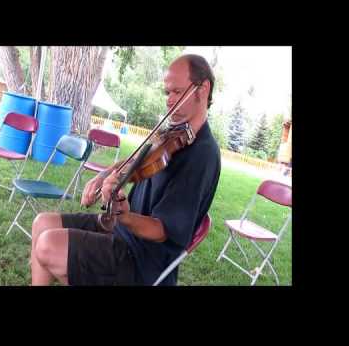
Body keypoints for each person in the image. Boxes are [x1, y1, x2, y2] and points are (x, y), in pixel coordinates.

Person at [28, 54, 221, 286]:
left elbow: (163, 231)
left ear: (203, 89)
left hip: (142, 259)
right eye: (167, 93)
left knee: (48, 245)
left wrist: (125, 216)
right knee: (42, 223)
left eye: (177, 92)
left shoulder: (202, 156)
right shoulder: (172, 133)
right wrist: (103, 176)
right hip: (120, 231)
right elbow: (134, 162)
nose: (170, 100)